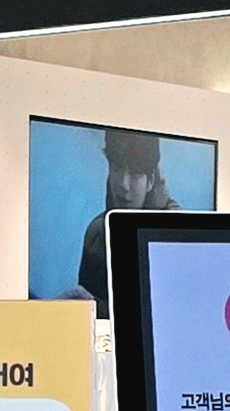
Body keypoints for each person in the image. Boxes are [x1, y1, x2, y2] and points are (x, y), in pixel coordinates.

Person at [74, 129, 180, 317]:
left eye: (135, 174)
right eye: (116, 168)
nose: (123, 184)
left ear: (151, 180)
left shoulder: (175, 234)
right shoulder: (96, 233)